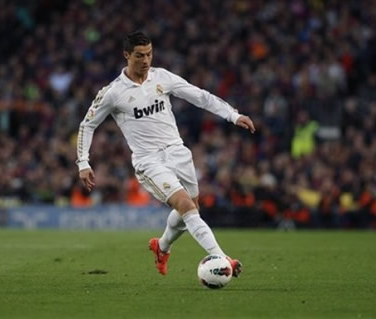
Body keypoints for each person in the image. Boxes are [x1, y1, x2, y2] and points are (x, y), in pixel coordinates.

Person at [76, 31, 255, 277]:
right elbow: (88, 124)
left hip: (178, 152)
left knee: (191, 209)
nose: (146, 60)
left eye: (149, 54)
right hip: (148, 160)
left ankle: (161, 247)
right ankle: (224, 260)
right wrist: (83, 162)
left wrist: (233, 115)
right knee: (184, 204)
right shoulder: (113, 92)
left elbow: (200, 96)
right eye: (139, 55)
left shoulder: (162, 77)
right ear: (126, 55)